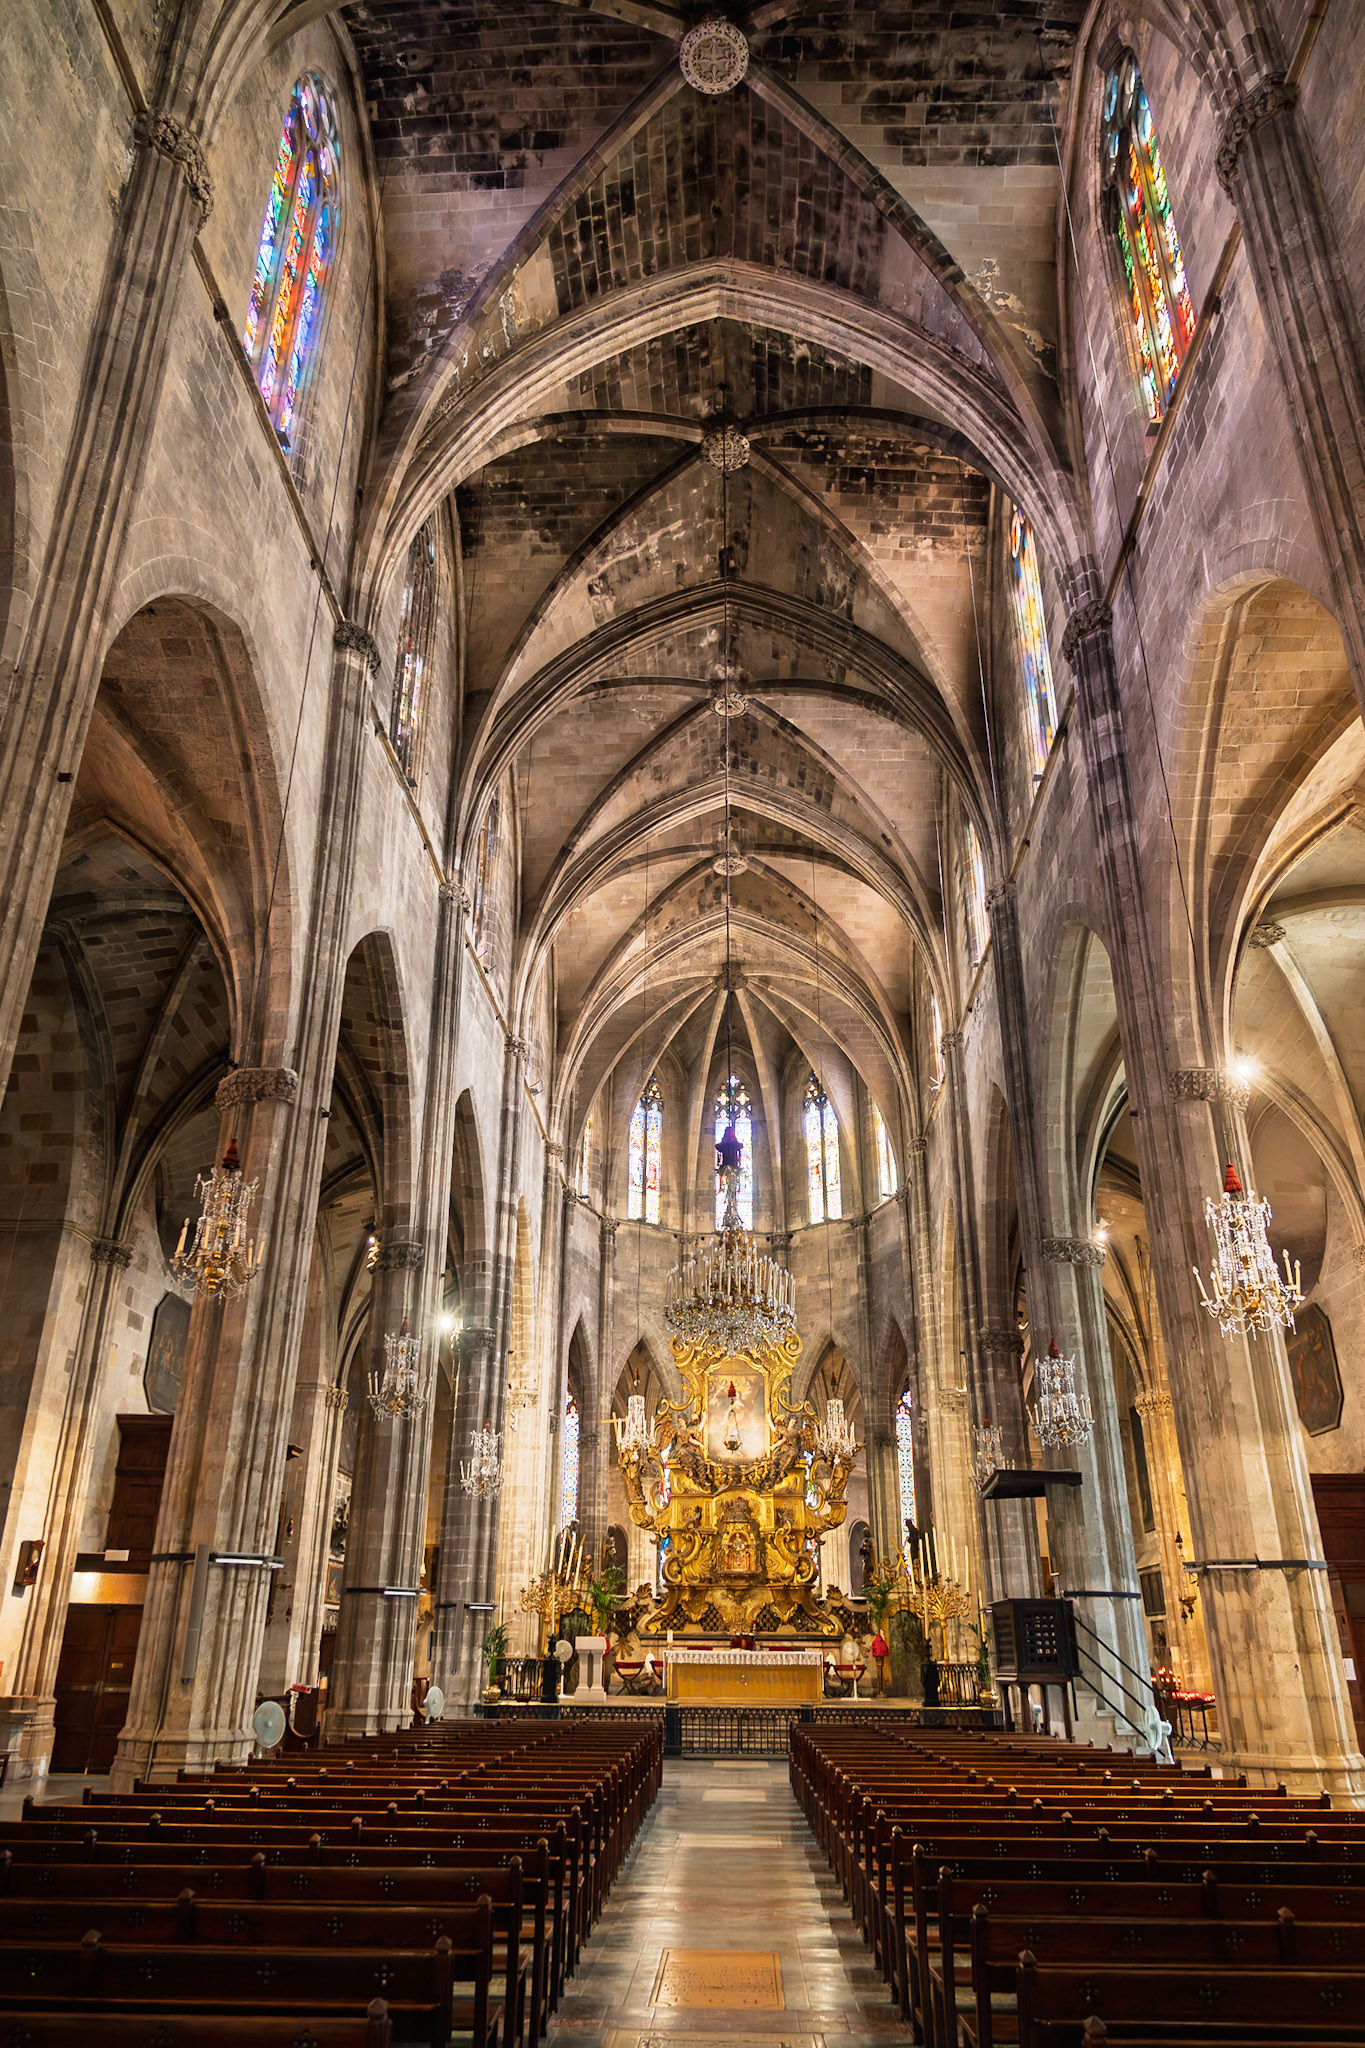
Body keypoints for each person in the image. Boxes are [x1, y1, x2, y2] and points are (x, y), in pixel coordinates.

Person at [870, 1627, 889, 1695]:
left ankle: (881, 1690)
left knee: (880, 1674)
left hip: (879, 1657)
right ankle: (880, 1691)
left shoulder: (878, 1641)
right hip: (879, 1658)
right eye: (883, 1634)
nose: (885, 1636)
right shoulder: (879, 1642)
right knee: (879, 1674)